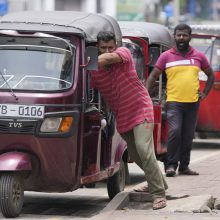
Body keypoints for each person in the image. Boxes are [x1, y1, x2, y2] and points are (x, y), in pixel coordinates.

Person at [90, 31, 168, 210]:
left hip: (141, 108)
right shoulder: (94, 72)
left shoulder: (123, 54)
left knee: (144, 149)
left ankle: (158, 194)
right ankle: (160, 182)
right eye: (103, 48)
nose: (108, 51)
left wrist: (85, 60)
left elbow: (107, 59)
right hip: (123, 116)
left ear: (116, 46)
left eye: (111, 47)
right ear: (97, 47)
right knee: (137, 155)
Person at [146, 24, 214, 177]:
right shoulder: (166, 56)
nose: (181, 38)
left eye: (184, 35)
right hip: (174, 102)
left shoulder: (198, 56)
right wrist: (145, 95)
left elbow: (211, 75)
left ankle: (184, 166)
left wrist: (205, 93)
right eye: (178, 35)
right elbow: (153, 76)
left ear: (190, 36)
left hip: (193, 102)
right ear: (174, 37)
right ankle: (171, 165)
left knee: (188, 135)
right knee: (175, 132)